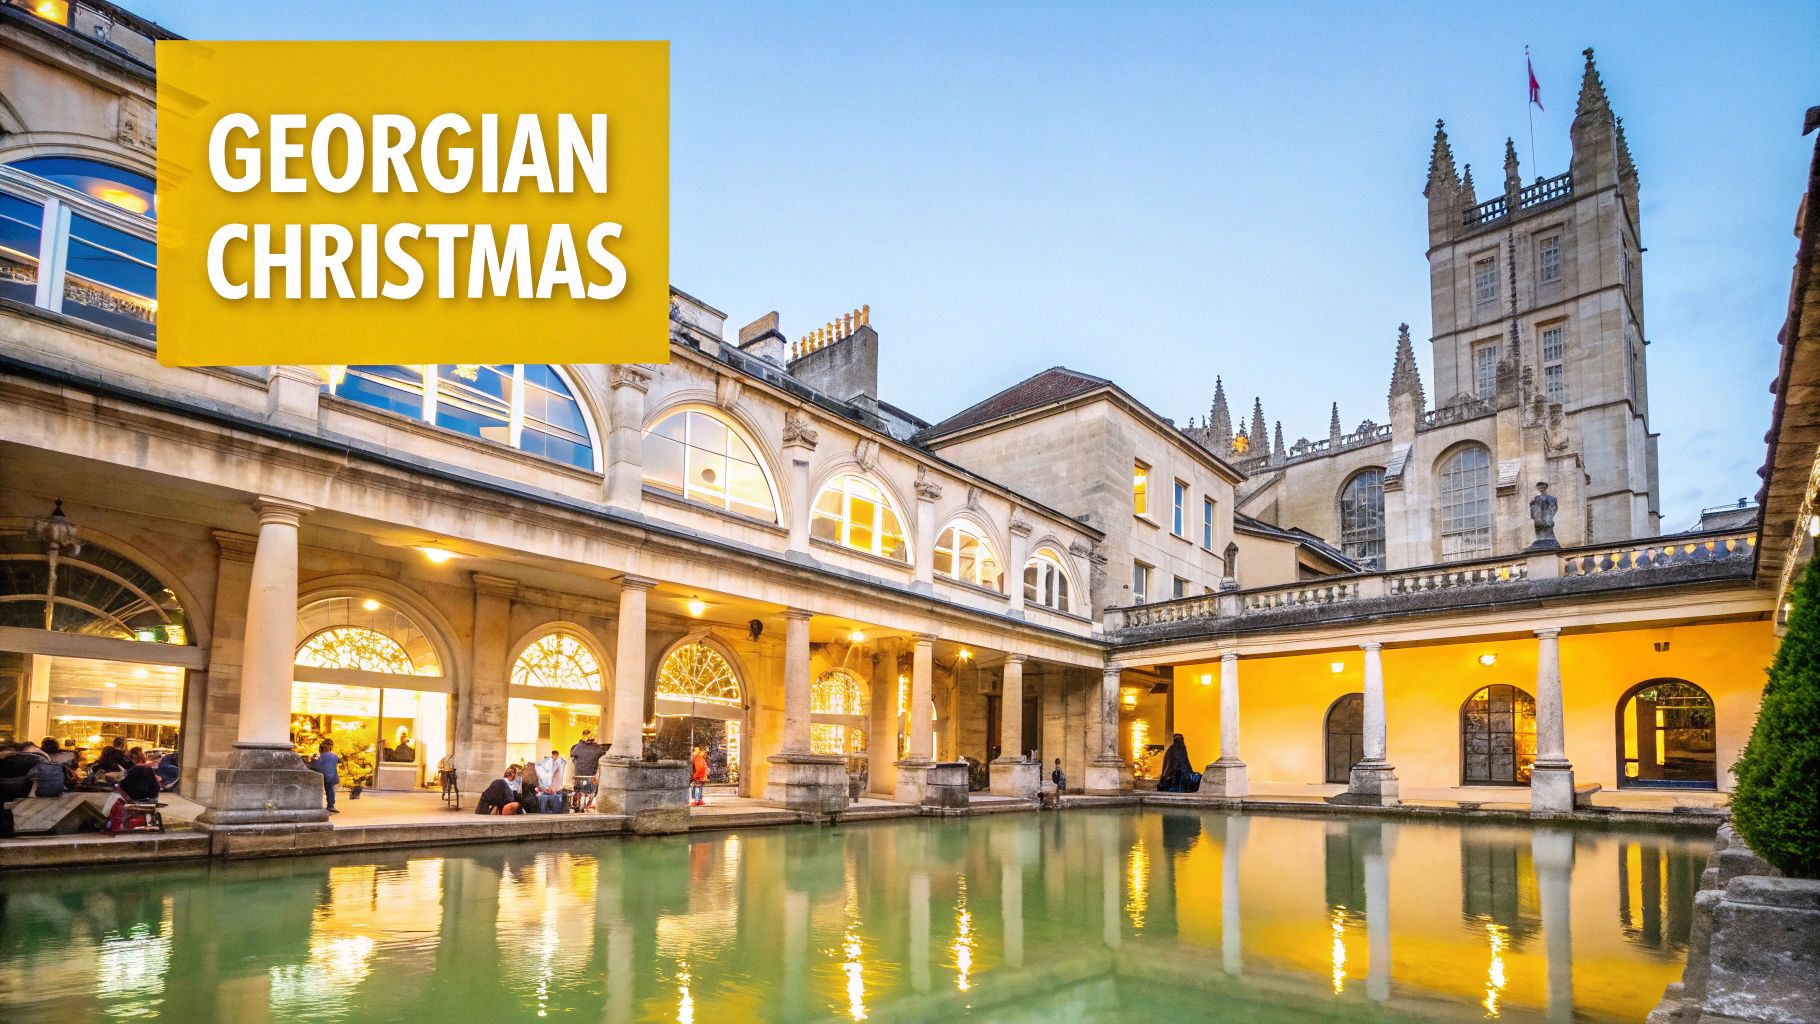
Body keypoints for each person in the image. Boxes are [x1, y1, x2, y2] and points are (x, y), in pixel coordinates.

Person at [569, 730, 604, 812]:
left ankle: (582, 806)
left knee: (584, 791)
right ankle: (582, 806)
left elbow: (572, 757)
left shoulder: (576, 747)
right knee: (585, 791)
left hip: (584, 774)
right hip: (587, 774)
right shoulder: (597, 748)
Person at [309, 738, 341, 814]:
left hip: (319, 775)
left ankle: (314, 805)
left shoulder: (317, 755)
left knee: (316, 790)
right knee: (330, 790)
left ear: (321, 748)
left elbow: (313, 765)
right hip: (331, 776)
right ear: (330, 747)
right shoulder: (334, 755)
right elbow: (339, 761)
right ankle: (330, 806)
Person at [535, 749, 568, 814]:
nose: (553, 757)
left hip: (556, 785)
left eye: (554, 756)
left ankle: (555, 811)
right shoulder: (553, 762)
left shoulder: (559, 762)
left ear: (557, 755)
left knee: (554, 797)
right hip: (554, 785)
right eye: (552, 756)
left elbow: (552, 773)